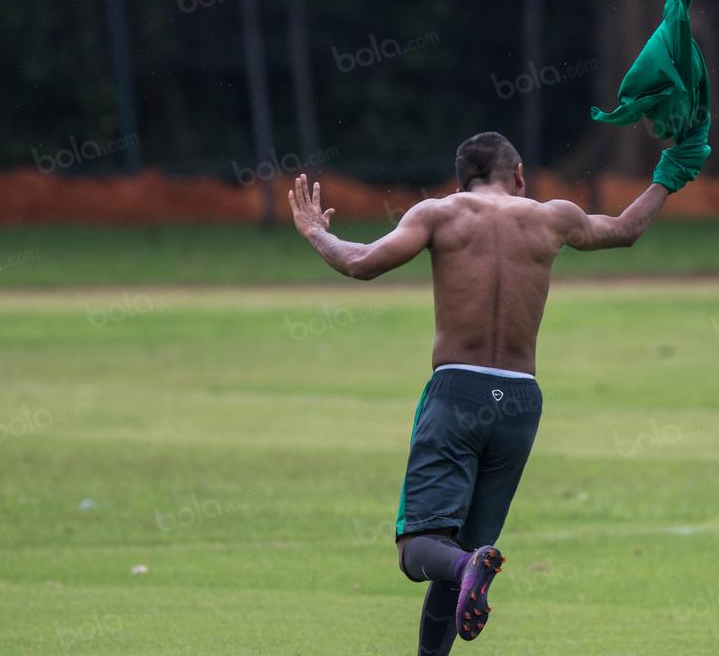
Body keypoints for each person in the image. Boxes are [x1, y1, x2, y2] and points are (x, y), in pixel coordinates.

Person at [288, 131, 693, 653]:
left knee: (421, 549)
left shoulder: (438, 213)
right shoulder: (554, 216)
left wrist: (315, 231)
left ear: (464, 181)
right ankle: (465, 570)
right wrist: (665, 178)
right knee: (462, 556)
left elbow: (361, 261)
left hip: (459, 393)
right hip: (523, 403)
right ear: (518, 173)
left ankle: (466, 563)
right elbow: (624, 229)